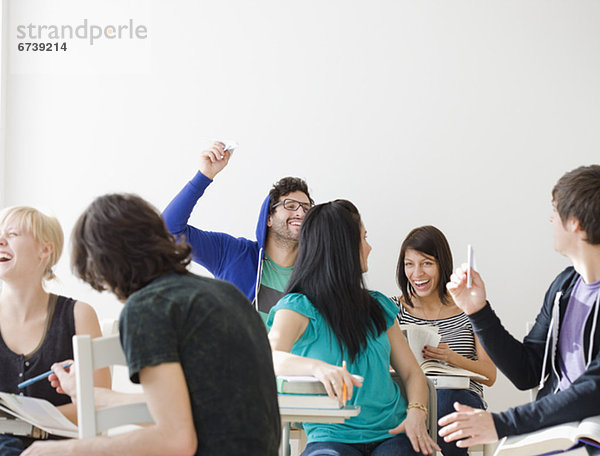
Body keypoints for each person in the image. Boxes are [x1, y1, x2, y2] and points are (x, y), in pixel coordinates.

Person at [23, 193, 281, 456]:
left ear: (105, 264)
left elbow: (176, 440)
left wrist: (60, 451)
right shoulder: (226, 294)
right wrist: (94, 397)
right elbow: (199, 413)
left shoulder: (148, 308)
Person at [438, 164, 600, 453]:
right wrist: (478, 311)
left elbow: (593, 391)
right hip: (557, 432)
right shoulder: (564, 287)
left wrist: (501, 423)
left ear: (574, 222)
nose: (551, 219)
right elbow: (526, 372)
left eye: (556, 210)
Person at [268, 199, 440, 456]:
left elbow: (413, 374)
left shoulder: (379, 307)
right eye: (363, 238)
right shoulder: (298, 307)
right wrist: (318, 368)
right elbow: (269, 357)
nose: (369, 247)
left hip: (392, 434)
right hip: (330, 438)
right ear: (343, 247)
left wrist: (417, 412)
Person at [0, 206, 110, 455]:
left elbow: (99, 406)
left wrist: (22, 421)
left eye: (13, 233)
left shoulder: (79, 314)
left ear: (45, 250)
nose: (0, 240)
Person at [162, 141, 314, 317]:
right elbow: (169, 230)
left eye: (306, 207)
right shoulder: (233, 254)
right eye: (290, 205)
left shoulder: (314, 274)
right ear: (269, 218)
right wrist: (205, 175)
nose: (301, 213)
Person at [392, 225, 496, 456]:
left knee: (445, 400)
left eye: (426, 263)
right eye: (410, 264)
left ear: (442, 264)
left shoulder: (469, 306)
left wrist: (451, 358)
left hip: (460, 400)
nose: (417, 273)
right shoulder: (393, 309)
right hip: (412, 402)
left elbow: (490, 375)